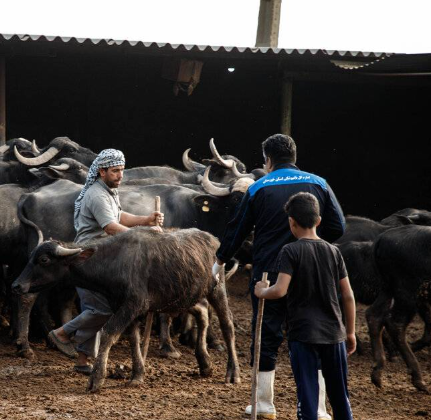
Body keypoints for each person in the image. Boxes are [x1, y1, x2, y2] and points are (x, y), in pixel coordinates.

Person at [212, 134, 345, 419]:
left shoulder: (259, 186)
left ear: (268, 160)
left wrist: (221, 258)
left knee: (266, 334)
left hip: (269, 272)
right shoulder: (319, 183)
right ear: (295, 157)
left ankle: (263, 405)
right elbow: (338, 226)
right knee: (315, 334)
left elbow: (237, 230)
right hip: (311, 274)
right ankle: (319, 410)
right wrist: (313, 249)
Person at [48, 149, 164, 374]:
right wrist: (143, 235)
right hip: (89, 258)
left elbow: (118, 217)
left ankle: (82, 362)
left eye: (122, 170)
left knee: (97, 309)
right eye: (115, 171)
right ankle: (61, 333)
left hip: (103, 257)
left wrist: (146, 220)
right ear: (101, 171)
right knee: (100, 309)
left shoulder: (108, 190)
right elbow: (110, 227)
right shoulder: (97, 194)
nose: (120, 175)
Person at [255, 192, 356, 420]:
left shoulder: (290, 251)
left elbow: (280, 290)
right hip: (334, 334)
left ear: (291, 222)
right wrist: (349, 332)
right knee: (340, 395)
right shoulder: (334, 251)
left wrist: (262, 291)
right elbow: (348, 295)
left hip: (303, 335)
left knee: (307, 395)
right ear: (319, 221)